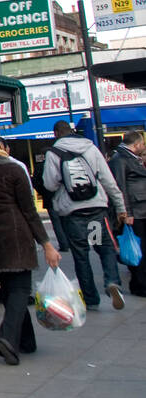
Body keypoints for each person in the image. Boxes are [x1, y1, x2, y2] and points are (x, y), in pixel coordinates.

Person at [0, 130, 62, 365]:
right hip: (16, 234)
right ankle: (6, 338)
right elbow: (29, 211)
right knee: (19, 290)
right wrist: (46, 243)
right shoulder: (14, 169)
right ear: (0, 145)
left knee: (9, 289)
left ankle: (25, 341)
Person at [41, 121, 128, 311]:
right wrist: (121, 207)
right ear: (72, 131)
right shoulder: (90, 148)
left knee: (81, 255)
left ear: (56, 133)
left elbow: (49, 184)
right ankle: (112, 281)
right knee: (103, 248)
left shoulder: (53, 153)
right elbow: (108, 180)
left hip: (73, 214)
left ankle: (90, 298)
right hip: (95, 211)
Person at [109, 130, 146, 297]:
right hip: (135, 212)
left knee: (142, 248)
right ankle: (139, 285)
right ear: (137, 144)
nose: (143, 147)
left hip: (140, 209)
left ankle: (140, 283)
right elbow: (120, 187)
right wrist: (126, 212)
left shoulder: (129, 157)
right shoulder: (121, 158)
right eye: (143, 144)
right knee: (137, 249)